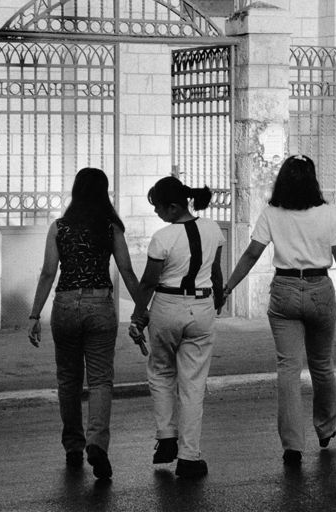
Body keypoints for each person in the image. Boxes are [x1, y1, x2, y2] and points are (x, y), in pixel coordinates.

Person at [222, 155, 336, 466]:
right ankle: (326, 428)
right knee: (322, 366)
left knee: (288, 370)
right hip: (319, 289)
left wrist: (227, 288)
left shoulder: (272, 212)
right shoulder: (329, 213)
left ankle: (292, 446)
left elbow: (251, 254)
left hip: (285, 291)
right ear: (312, 179)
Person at [28, 167, 142, 480]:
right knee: (101, 379)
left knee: (68, 380)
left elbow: (48, 273)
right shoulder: (110, 227)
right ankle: (97, 444)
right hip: (99, 306)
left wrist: (35, 315)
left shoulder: (59, 227)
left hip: (64, 305)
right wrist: (144, 309)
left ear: (76, 191)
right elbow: (128, 272)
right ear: (103, 192)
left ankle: (73, 447)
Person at [129, 176, 225, 479]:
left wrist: (137, 316)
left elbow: (148, 282)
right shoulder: (213, 229)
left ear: (172, 207)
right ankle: (189, 456)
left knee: (160, 371)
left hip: (167, 306)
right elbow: (217, 273)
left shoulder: (163, 238)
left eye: (158, 207)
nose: (156, 213)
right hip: (203, 305)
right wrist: (216, 303)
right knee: (193, 383)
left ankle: (167, 436)